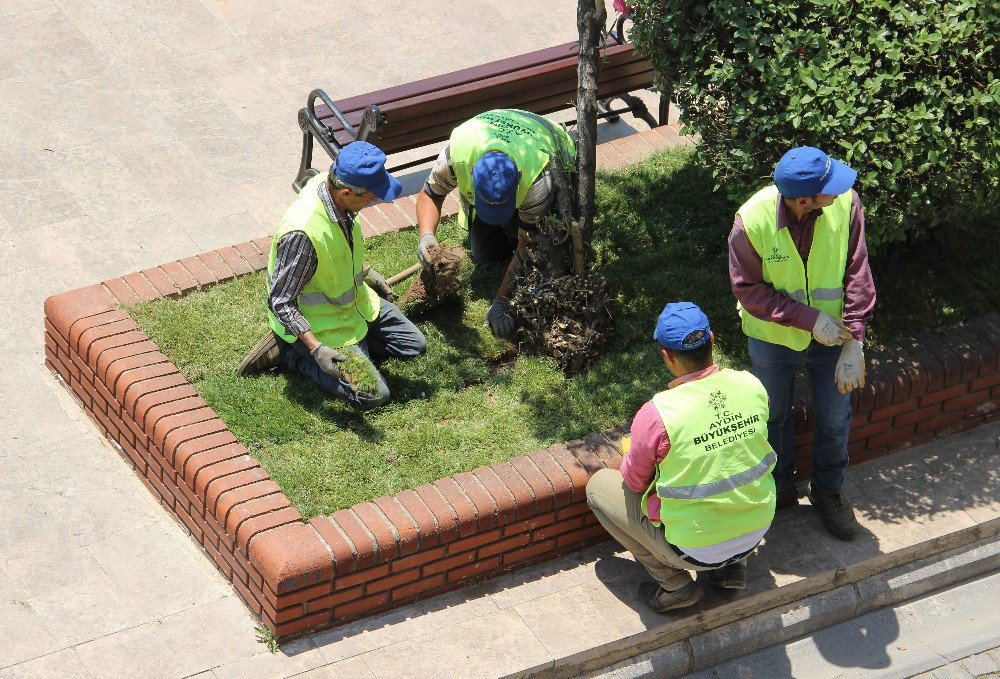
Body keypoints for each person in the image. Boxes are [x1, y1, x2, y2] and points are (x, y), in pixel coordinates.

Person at [586, 302, 776, 613]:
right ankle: (731, 570)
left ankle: (675, 585)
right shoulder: (751, 386)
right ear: (712, 341)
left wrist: (630, 450)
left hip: (693, 549)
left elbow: (634, 482)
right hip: (756, 531)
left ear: (666, 355)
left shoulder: (658, 414)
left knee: (598, 488)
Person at [728, 146, 876, 540]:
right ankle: (780, 485)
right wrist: (809, 319)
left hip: (836, 340)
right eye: (831, 187)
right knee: (773, 416)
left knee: (834, 417)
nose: (842, 190)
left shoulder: (846, 204)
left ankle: (829, 492)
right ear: (804, 200)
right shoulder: (751, 222)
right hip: (772, 341)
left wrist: (855, 339)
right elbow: (749, 291)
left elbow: (858, 271)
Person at [238, 141, 426, 411]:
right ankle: (294, 354)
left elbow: (338, 249)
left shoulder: (335, 187)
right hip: (324, 328)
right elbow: (280, 301)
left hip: (359, 306)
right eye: (371, 197)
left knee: (414, 346)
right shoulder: (302, 235)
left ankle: (358, 348)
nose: (374, 201)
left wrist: (366, 271)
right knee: (374, 395)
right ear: (347, 193)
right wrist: (316, 349)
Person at [414, 108, 576, 339]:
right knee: (484, 254)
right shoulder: (458, 154)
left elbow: (525, 245)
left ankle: (529, 228)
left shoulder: (538, 177)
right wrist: (426, 235)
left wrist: (501, 302)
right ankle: (506, 225)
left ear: (519, 177)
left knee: (541, 253)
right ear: (471, 172)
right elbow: (431, 194)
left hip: (549, 149)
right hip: (496, 130)